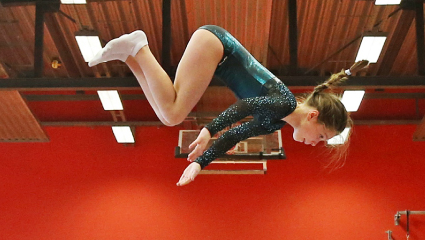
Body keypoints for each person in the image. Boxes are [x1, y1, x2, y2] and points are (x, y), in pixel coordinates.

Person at [88, 26, 368, 186]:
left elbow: (235, 135)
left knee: (167, 114)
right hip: (217, 47)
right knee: (173, 113)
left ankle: (131, 55)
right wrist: (209, 130)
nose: (315, 143)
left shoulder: (277, 120)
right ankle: (138, 47)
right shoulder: (283, 103)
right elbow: (245, 105)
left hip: (213, 46)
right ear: (313, 115)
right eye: (321, 135)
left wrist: (200, 164)